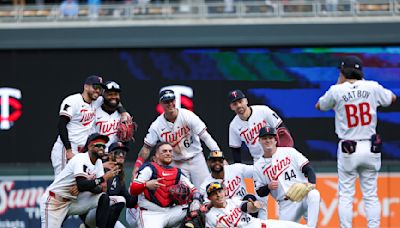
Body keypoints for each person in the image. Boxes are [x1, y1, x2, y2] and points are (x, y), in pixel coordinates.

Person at [315, 55, 397, 228]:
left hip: (348, 147)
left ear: (343, 72)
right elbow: (392, 99)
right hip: (370, 146)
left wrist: (340, 84)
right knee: (371, 195)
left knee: (346, 195)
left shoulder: (336, 90)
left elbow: (319, 106)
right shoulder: (372, 86)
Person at [132, 89, 220, 188]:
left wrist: (218, 155)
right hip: (176, 163)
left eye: (172, 100)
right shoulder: (156, 125)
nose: (170, 104)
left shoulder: (187, 116)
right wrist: (137, 167)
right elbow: (146, 148)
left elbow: (206, 137)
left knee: (205, 190)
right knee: (180, 195)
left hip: (196, 158)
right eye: (166, 101)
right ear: (161, 103)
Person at [40, 133, 120, 228]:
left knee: (105, 198)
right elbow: (82, 184)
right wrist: (101, 179)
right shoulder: (80, 158)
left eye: (103, 146)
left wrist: (84, 187)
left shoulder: (98, 162)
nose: (102, 148)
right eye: (98, 145)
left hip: (73, 201)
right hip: (55, 202)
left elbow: (101, 189)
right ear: (90, 146)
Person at [253, 127, 320, 228]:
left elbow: (308, 169)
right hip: (285, 204)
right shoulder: (258, 166)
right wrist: (268, 187)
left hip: (303, 196)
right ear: (259, 141)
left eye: (270, 137)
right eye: (264, 138)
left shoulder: (289, 152)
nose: (267, 140)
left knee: (314, 194)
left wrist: (311, 184)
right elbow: (259, 192)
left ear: (276, 140)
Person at [129, 142, 202, 228]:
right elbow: (132, 189)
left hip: (171, 212)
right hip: (151, 213)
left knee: (199, 209)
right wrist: (146, 185)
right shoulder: (149, 168)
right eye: (164, 151)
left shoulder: (177, 172)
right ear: (155, 157)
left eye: (170, 151)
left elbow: (194, 190)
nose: (168, 153)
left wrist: (196, 200)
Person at [51, 75, 105, 177]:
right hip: (67, 148)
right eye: (95, 87)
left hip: (82, 151)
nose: (97, 91)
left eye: (100, 89)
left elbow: (113, 99)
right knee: (62, 185)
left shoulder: (97, 101)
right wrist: (68, 150)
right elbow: (61, 125)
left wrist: (124, 113)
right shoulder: (73, 101)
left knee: (77, 187)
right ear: (86, 87)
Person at [228, 89, 294, 163]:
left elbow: (281, 128)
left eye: (240, 102)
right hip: (259, 161)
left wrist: (285, 152)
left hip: (277, 156)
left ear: (246, 101)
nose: (239, 105)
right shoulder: (233, 126)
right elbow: (235, 150)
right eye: (235, 104)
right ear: (231, 107)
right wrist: (238, 169)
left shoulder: (263, 110)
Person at [82, 141, 138, 228]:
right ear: (110, 155)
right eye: (118, 152)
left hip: (105, 217)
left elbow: (130, 203)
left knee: (120, 200)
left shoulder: (119, 176)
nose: (121, 155)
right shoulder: (100, 168)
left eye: (123, 153)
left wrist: (139, 185)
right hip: (92, 212)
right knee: (119, 199)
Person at [205, 181, 307, 228]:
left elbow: (247, 207)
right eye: (214, 194)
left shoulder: (233, 201)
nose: (218, 195)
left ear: (224, 192)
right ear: (209, 198)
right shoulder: (211, 216)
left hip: (262, 225)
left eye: (219, 192)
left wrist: (254, 206)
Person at [199, 150, 267, 219]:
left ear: (224, 161)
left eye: (219, 160)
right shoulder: (205, 186)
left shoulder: (235, 168)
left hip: (246, 205)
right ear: (208, 163)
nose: (217, 163)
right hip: (228, 214)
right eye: (213, 161)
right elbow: (207, 208)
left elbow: (257, 171)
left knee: (251, 197)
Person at [93, 81, 130, 151]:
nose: (113, 97)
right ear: (103, 95)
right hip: (97, 153)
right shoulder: (95, 111)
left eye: (116, 94)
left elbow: (126, 142)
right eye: (110, 94)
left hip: (113, 155)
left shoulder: (124, 116)